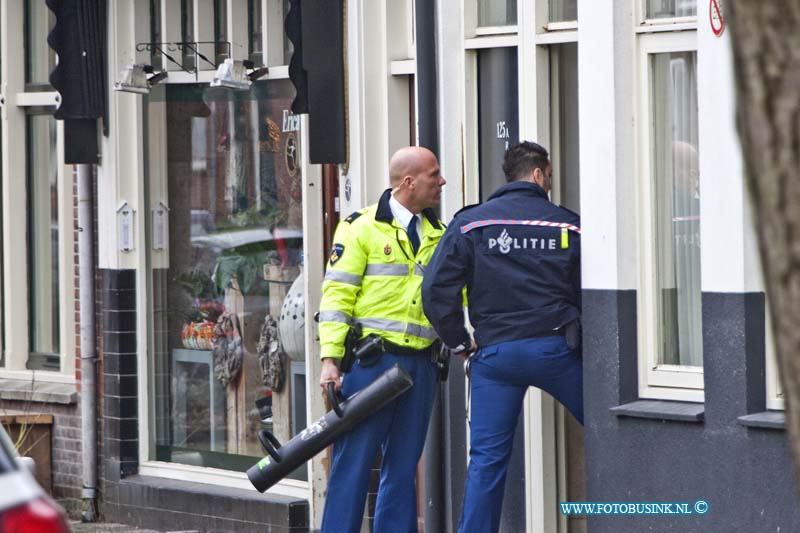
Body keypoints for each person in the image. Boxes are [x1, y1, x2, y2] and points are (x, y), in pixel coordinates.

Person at [421, 141, 583, 533]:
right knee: (610, 430)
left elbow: (434, 291)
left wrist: (460, 342)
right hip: (556, 349)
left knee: (487, 463)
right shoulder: (567, 224)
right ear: (539, 174)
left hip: (495, 355)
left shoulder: (471, 223)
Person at [318, 146, 447, 533]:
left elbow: (454, 299)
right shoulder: (361, 228)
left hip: (421, 365)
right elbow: (337, 297)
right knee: (353, 463)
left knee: (404, 467)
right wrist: (330, 360)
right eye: (433, 174)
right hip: (371, 366)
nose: (442, 181)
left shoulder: (439, 235)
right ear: (409, 182)